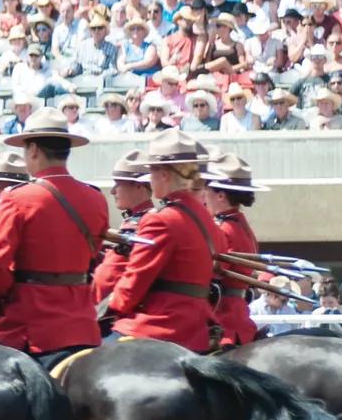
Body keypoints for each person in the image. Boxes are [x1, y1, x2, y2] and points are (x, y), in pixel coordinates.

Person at [0, 108, 108, 359]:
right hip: (82, 325)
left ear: (34, 149)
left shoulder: (17, 198)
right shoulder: (95, 198)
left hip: (30, 327)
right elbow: (93, 255)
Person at [102, 130, 222, 352]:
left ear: (165, 175)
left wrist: (106, 308)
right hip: (197, 329)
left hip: (160, 325)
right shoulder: (205, 216)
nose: (150, 180)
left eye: (152, 173)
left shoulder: (160, 219)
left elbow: (134, 283)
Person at [205, 152, 264, 349]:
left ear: (221, 195)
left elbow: (208, 274)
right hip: (236, 311)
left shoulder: (223, 229)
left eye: (207, 191)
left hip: (223, 317)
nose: (204, 198)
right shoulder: (238, 222)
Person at [90, 149, 153, 312]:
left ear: (139, 186)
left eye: (118, 184)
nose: (112, 191)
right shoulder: (134, 219)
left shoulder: (148, 221)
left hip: (117, 310)